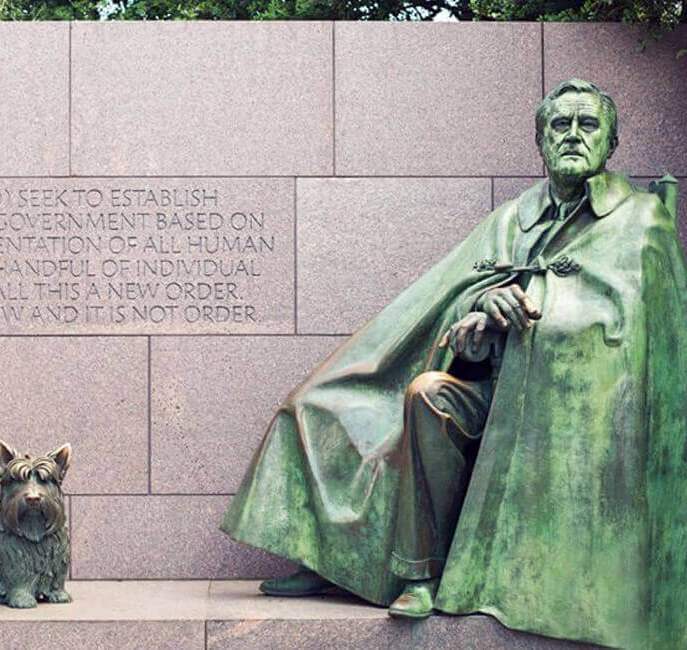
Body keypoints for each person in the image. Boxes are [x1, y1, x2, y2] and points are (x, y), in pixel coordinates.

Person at [220, 79, 686, 649]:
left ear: (610, 142)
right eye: (558, 126)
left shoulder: (639, 218)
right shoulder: (513, 219)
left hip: (563, 415)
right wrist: (479, 310)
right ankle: (353, 562)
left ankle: (421, 574)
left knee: (424, 394)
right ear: (540, 141)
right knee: (345, 401)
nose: (571, 136)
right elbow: (453, 298)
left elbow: (629, 329)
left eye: (586, 125)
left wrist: (534, 305)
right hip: (489, 389)